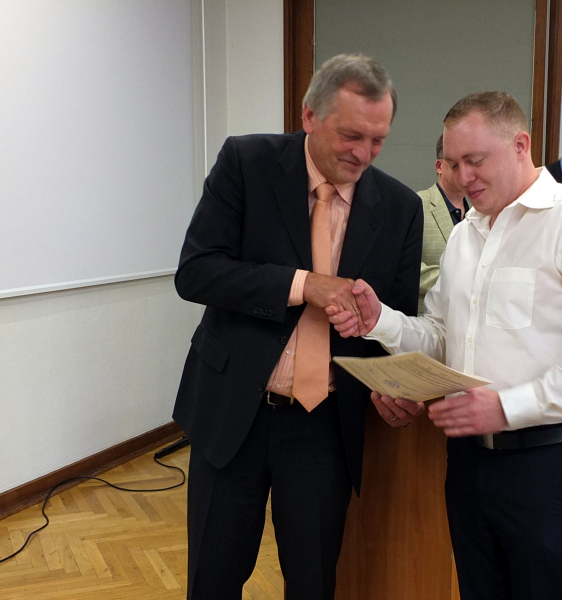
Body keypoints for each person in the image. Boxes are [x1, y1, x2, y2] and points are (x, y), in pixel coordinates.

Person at [328, 92, 562, 600]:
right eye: (454, 164)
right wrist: (380, 321)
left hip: (551, 462)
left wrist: (508, 406)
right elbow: (442, 337)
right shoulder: (465, 237)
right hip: (468, 463)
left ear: (520, 145)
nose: (463, 177)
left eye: (475, 160)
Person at [172, 54, 423, 600]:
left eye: (378, 140)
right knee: (212, 581)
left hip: (323, 426)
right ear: (309, 115)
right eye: (351, 135)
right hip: (232, 412)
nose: (363, 153)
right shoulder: (247, 163)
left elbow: (395, 323)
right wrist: (304, 284)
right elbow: (196, 272)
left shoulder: (400, 208)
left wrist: (394, 387)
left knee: (312, 584)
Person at [418, 133, 470, 314]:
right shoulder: (417, 205)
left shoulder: (482, 214)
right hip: (427, 320)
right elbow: (405, 268)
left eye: (471, 163)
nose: (465, 172)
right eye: (456, 165)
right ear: (439, 166)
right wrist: (462, 281)